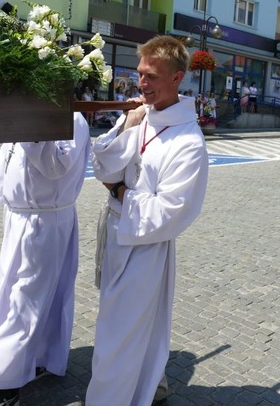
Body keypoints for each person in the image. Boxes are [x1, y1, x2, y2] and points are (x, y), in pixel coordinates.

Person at [86, 35, 209, 405]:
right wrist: (127, 125)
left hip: (146, 246)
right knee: (132, 326)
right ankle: (149, 385)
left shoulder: (188, 142)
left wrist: (120, 193)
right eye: (140, 75)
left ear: (177, 78)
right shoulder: (141, 119)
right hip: (117, 231)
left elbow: (172, 210)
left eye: (152, 77)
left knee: (117, 332)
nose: (142, 84)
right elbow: (102, 165)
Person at [0, 113, 91, 406]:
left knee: (25, 300)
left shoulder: (74, 121)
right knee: (12, 295)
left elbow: (55, 166)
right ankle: (40, 357)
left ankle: (4, 388)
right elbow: (3, 164)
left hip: (47, 220)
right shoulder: (22, 115)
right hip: (18, 219)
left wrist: (33, 133)